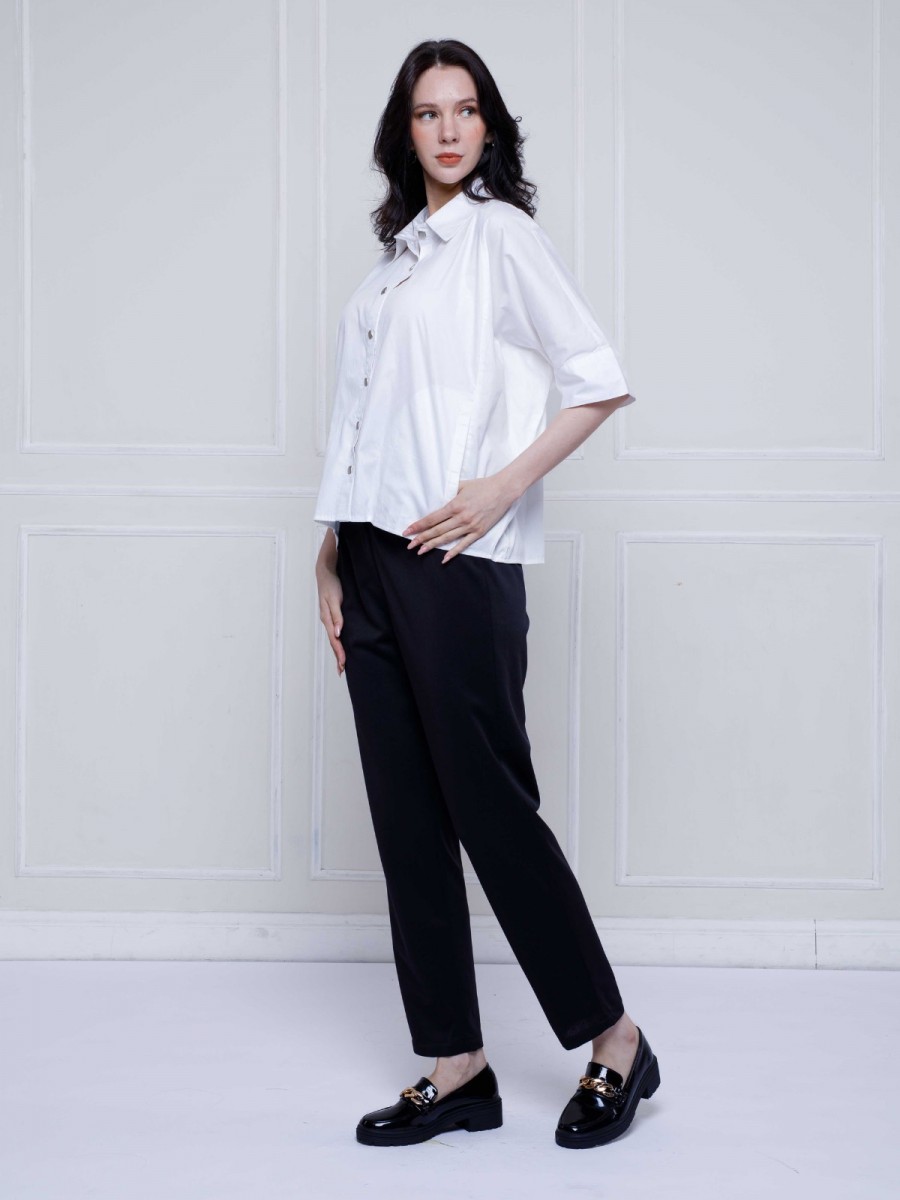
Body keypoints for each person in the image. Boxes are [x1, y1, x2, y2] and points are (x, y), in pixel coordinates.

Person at [313, 38, 661, 1149]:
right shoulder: (392, 269)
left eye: (466, 110)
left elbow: (596, 379)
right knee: (407, 819)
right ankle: (456, 1065)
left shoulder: (500, 238)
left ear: (490, 126)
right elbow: (363, 424)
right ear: (403, 133)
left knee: (491, 812)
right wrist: (330, 552)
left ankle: (617, 1042)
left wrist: (501, 488)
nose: (449, 129)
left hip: (456, 565)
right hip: (370, 563)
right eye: (428, 113)